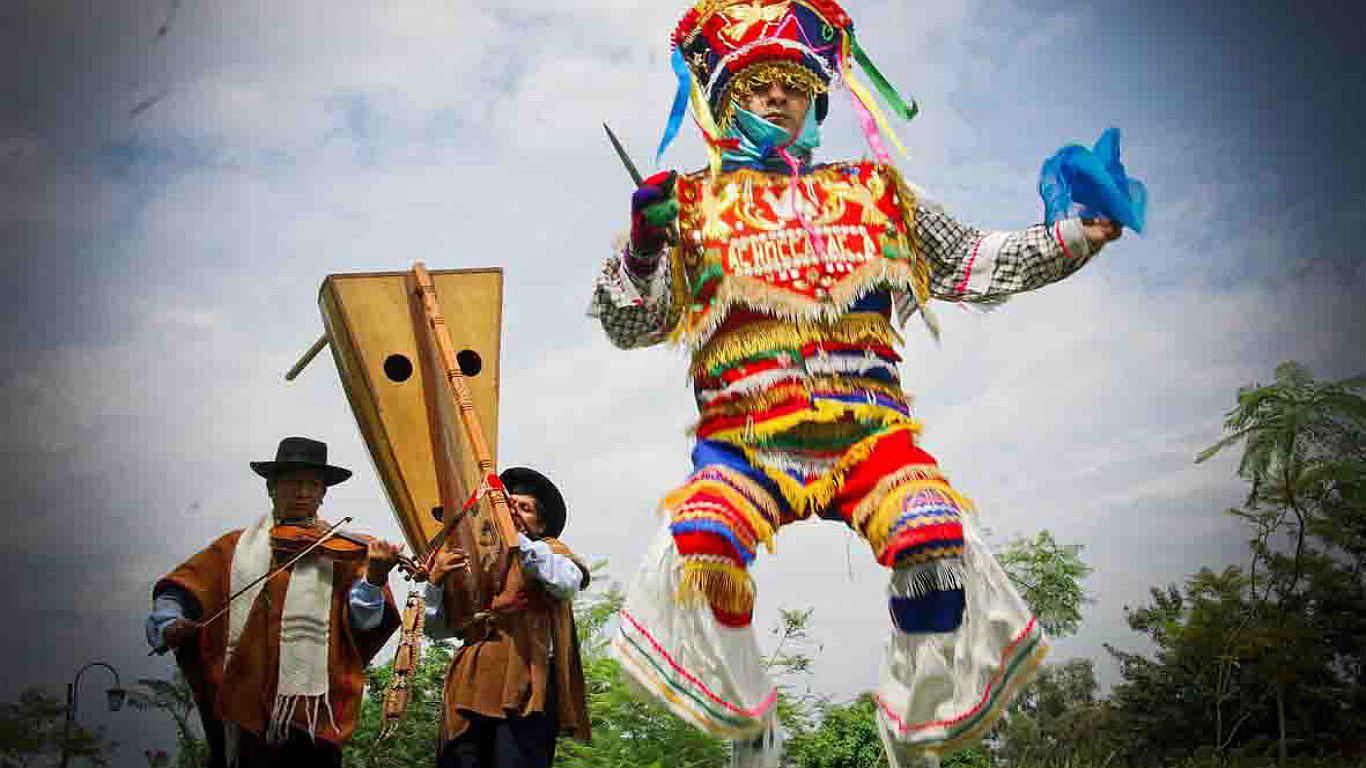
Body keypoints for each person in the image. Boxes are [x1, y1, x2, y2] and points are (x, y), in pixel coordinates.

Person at [587, 1, 1127, 764]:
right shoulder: (688, 206)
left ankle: (915, 739)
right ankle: (751, 732)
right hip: (744, 443)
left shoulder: (876, 192)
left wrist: (1077, 235)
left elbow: (973, 261)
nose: (776, 96)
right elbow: (627, 324)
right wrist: (644, 248)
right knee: (703, 544)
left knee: (935, 541)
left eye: (793, 83)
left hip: (870, 435)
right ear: (726, 99)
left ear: (818, 100)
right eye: (756, 84)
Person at [146, 436, 403, 768]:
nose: (304, 492)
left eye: (313, 485)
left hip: (311, 720)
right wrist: (168, 622)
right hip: (242, 713)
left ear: (323, 494)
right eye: (294, 483)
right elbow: (178, 592)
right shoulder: (234, 548)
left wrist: (376, 578)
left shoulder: (345, 555)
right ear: (271, 487)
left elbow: (364, 624)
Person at [423, 467, 592, 768]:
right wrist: (434, 583)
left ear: (541, 525)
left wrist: (515, 540)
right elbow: (437, 630)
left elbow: (568, 581)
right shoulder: (474, 560)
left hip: (527, 698)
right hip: (470, 691)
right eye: (506, 505)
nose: (511, 513)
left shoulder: (549, 553)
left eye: (523, 508)